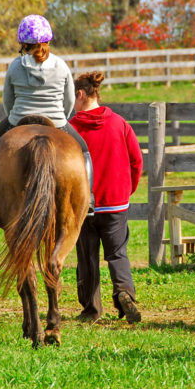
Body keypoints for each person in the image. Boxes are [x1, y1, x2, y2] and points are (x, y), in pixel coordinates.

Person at [0, 15, 94, 216]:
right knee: (84, 150)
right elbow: (69, 100)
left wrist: (14, 118)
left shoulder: (15, 66)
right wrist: (61, 116)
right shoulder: (61, 65)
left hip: (18, 119)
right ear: (48, 40)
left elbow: (7, 100)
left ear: (23, 43)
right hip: (57, 120)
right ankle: (89, 200)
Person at [69, 71, 143, 324]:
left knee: (86, 256)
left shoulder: (70, 129)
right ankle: (124, 292)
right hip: (115, 202)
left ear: (80, 95)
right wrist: (126, 189)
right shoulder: (120, 123)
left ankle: (91, 309)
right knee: (117, 253)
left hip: (83, 205)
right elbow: (136, 160)